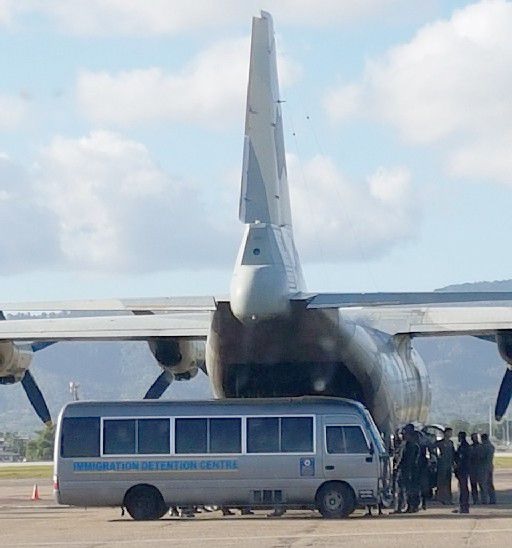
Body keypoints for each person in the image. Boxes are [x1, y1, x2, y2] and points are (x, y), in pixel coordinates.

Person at [399, 424, 420, 513]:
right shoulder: (410, 445)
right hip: (410, 470)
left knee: (410, 489)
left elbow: (410, 461)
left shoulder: (411, 446)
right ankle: (412, 506)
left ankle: (412, 506)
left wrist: (408, 471)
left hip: (410, 471)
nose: (404, 435)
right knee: (411, 489)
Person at [435, 427, 455, 504]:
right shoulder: (439, 443)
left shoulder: (451, 443)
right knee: (441, 482)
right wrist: (437, 457)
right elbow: (432, 449)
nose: (450, 434)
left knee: (448, 482)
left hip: (449, 465)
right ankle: (442, 498)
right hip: (441, 465)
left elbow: (453, 454)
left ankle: (449, 499)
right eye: (449, 432)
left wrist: (453, 464)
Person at [454, 431, 471, 514]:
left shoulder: (463, 447)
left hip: (463, 469)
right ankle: (463, 506)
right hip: (465, 469)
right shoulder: (464, 446)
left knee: (463, 488)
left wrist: (457, 467)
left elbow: (461, 458)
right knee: (463, 487)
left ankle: (463, 506)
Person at [468, 433, 486, 504]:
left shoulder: (481, 447)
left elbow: (483, 457)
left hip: (480, 468)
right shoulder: (471, 447)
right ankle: (475, 500)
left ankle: (484, 499)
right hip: (473, 468)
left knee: (482, 485)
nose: (475, 439)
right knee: (473, 485)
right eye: (473, 437)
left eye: (476, 437)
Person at [481, 433, 496, 504]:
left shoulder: (483, 447)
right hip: (490, 465)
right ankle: (493, 499)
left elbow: (481, 457)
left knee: (484, 484)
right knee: (490, 483)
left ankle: (484, 499)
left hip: (484, 466)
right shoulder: (491, 446)